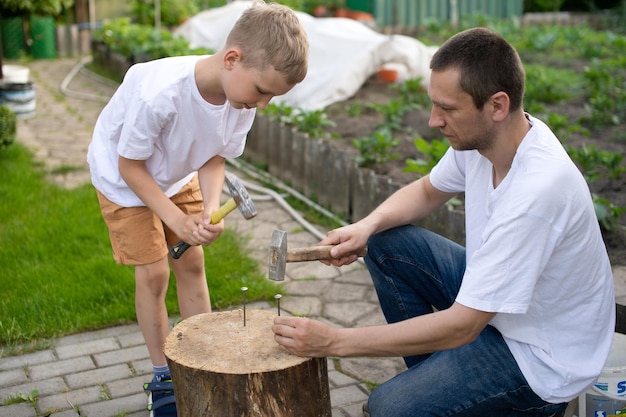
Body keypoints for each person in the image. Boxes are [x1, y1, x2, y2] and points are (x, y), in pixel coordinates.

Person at [272, 27, 615, 417]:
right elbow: (426, 191)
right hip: (502, 310)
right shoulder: (485, 140)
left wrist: (335, 341)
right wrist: (366, 225)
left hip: (540, 358)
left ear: (497, 106)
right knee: (387, 242)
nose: (435, 120)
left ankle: (464, 398)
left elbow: (463, 325)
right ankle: (442, 385)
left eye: (448, 109)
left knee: (388, 409)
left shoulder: (536, 191)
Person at [87, 2, 308, 416]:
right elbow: (130, 166)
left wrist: (206, 210)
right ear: (231, 59)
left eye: (273, 97)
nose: (263, 105)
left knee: (191, 264)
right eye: (262, 91)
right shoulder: (161, 94)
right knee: (153, 272)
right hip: (125, 180)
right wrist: (174, 219)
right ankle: (162, 376)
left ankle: (199, 362)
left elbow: (214, 156)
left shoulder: (240, 100)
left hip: (177, 171)